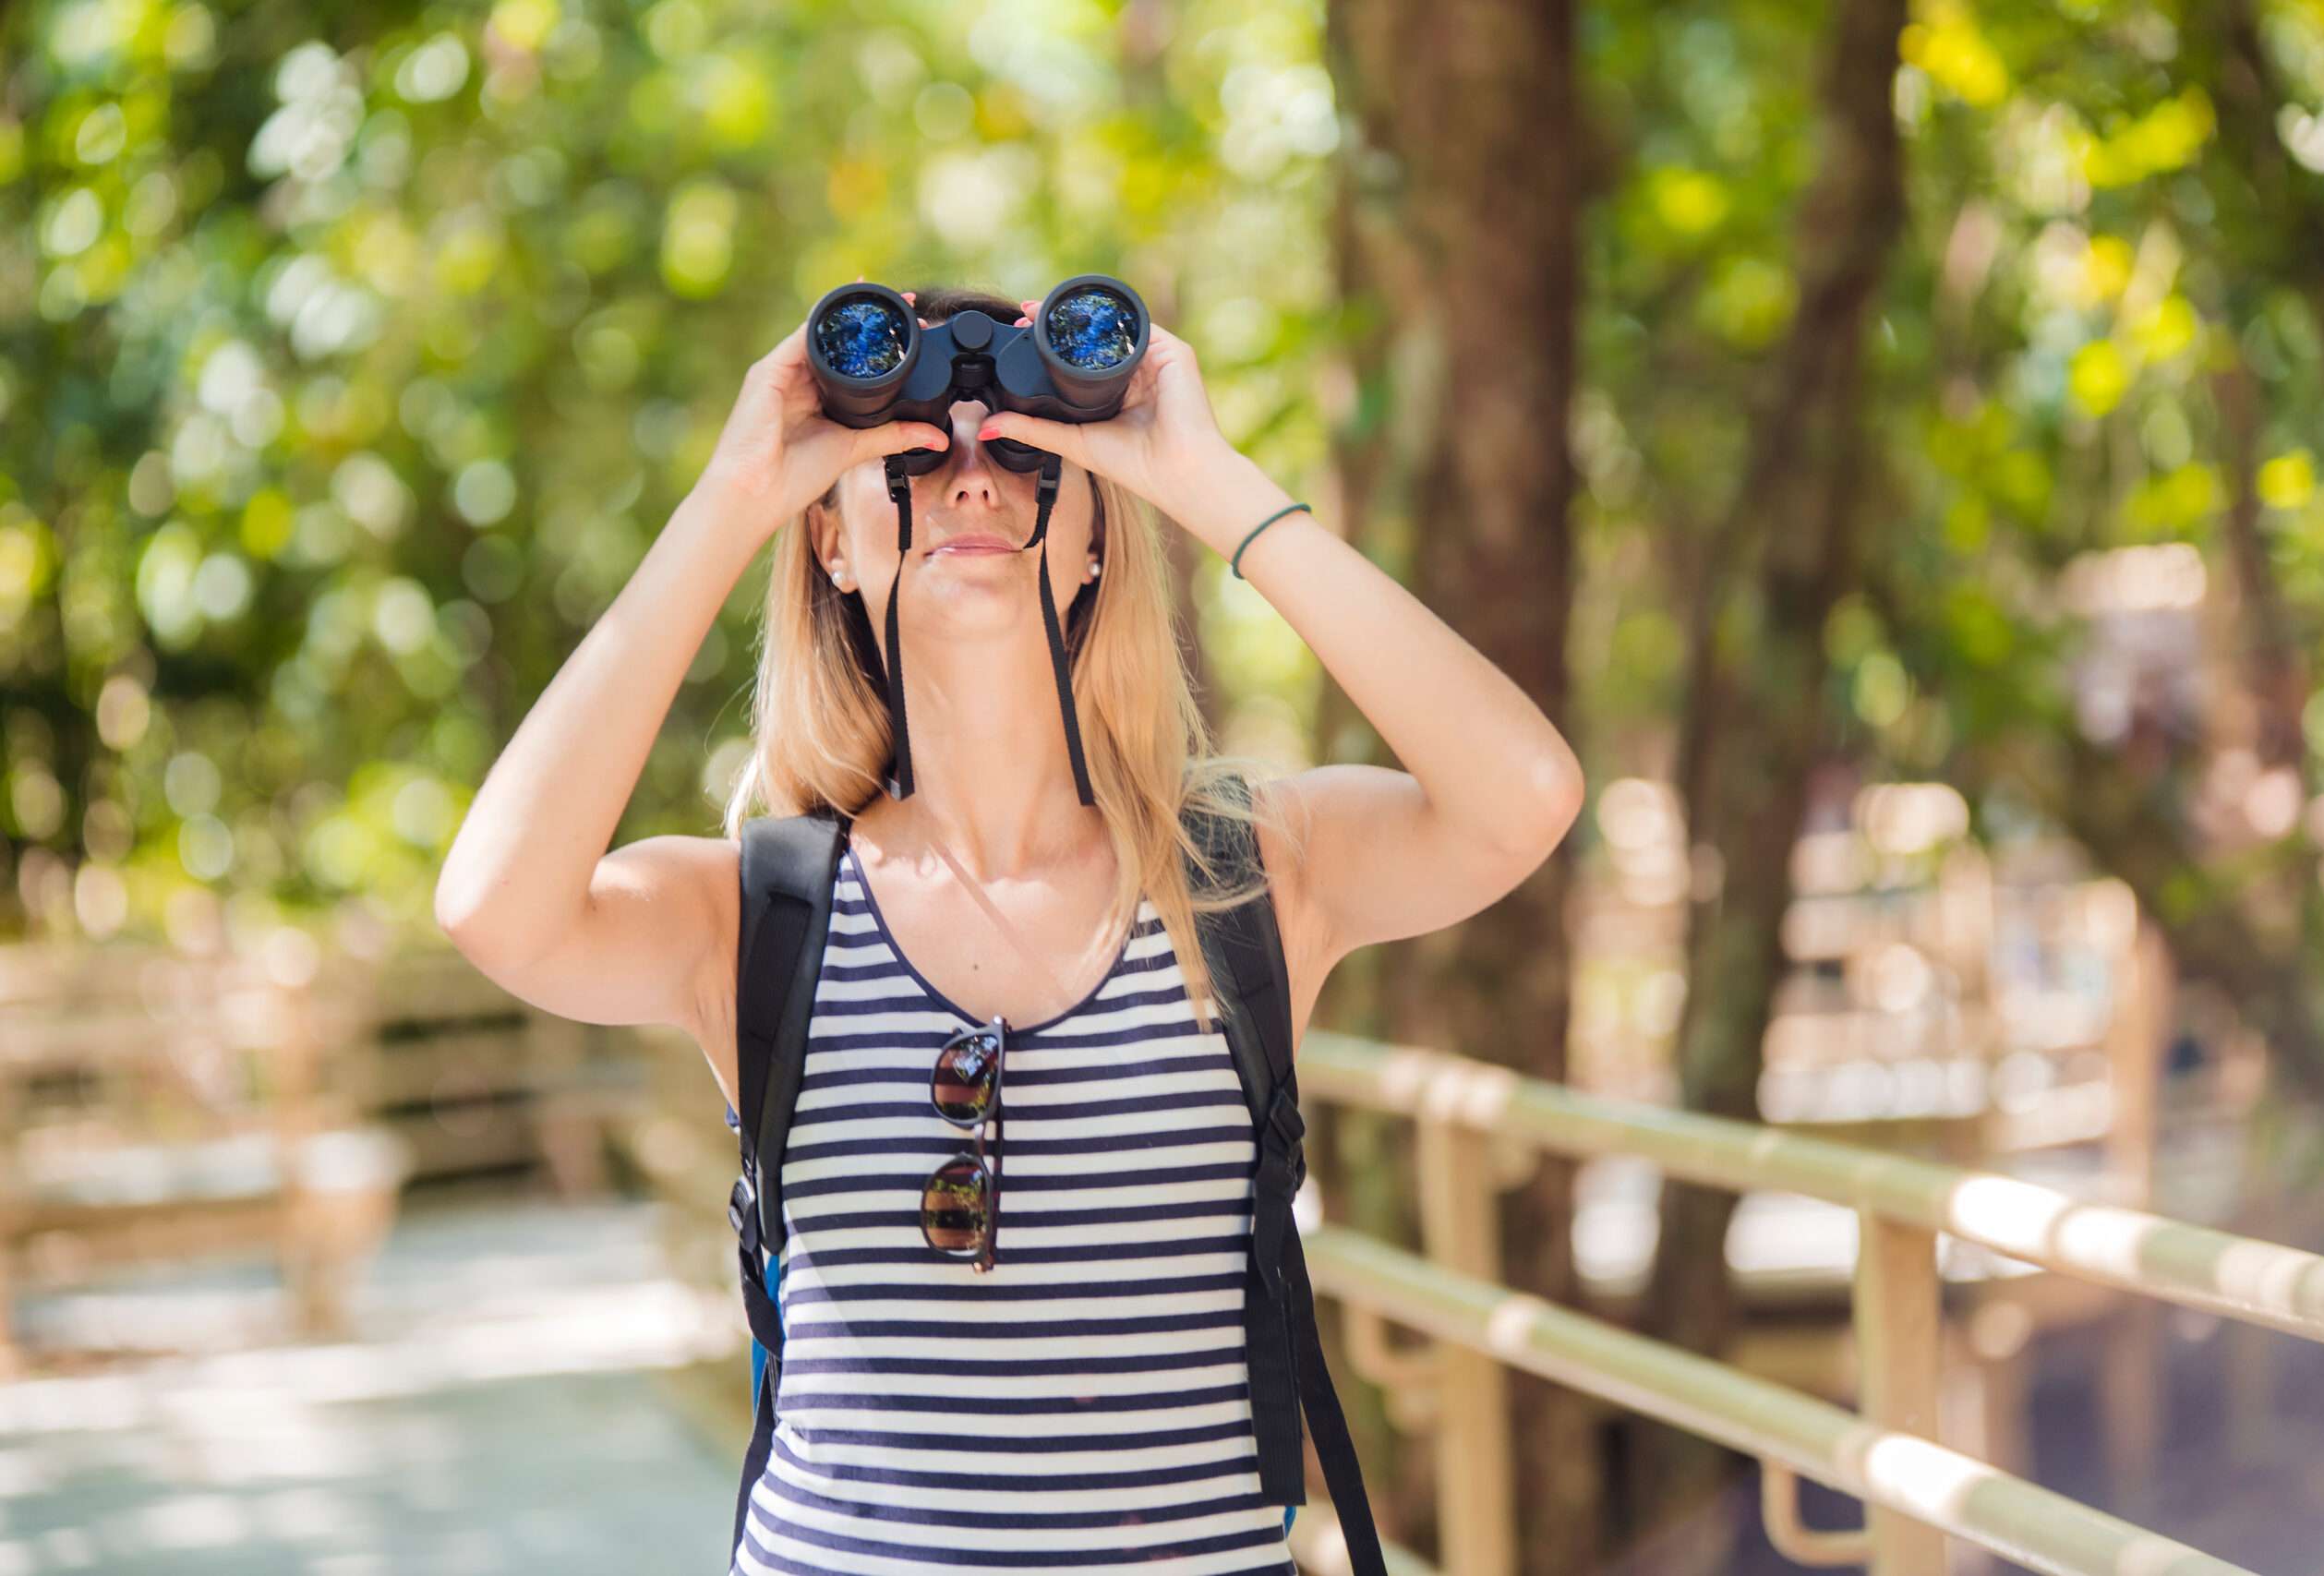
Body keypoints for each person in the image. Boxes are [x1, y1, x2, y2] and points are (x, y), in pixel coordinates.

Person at [434, 283, 1586, 1573]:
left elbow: (1522, 799)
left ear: (1098, 534)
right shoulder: (758, 914)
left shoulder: (1249, 874)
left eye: (1027, 446)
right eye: (912, 453)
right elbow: (495, 908)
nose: (969, 477)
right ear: (828, 542)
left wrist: (1205, 481)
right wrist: (730, 498)